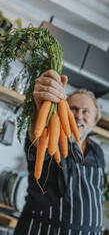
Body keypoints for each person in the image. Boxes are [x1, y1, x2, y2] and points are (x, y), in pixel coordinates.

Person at [14, 69, 105, 235]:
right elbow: (37, 140)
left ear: (95, 120)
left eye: (86, 112)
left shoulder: (97, 152)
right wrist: (41, 107)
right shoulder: (51, 140)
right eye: (73, 109)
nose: (78, 116)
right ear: (62, 111)